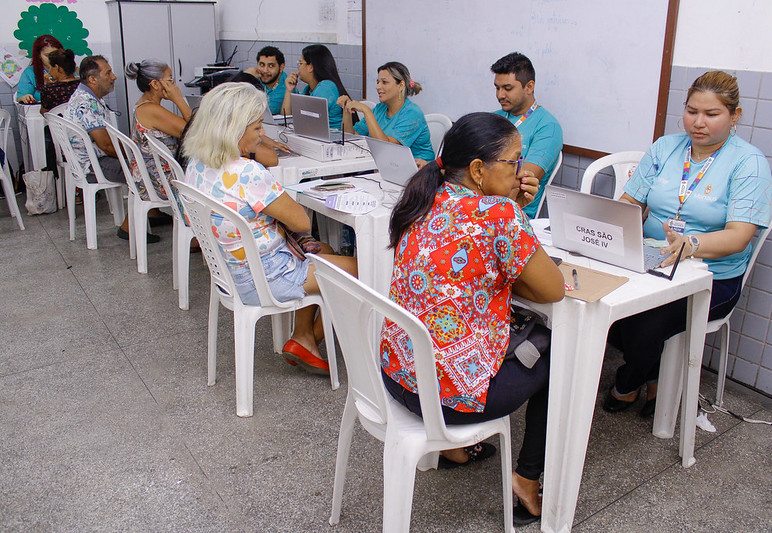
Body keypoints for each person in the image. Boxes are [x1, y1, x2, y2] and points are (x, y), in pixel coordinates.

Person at [380, 112, 565, 525]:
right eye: (514, 161)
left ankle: (453, 449)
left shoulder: (426, 194)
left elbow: (472, 258)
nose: (522, 171)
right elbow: (552, 290)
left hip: (399, 376)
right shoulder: (499, 215)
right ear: (479, 170)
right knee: (559, 356)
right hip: (449, 400)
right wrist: (514, 213)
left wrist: (512, 208)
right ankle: (526, 479)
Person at [603, 71, 772, 417]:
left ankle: (628, 382)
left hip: (711, 277)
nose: (698, 123)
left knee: (643, 325)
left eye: (711, 114)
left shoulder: (748, 163)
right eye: (692, 111)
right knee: (603, 305)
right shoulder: (665, 147)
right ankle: (653, 376)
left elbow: (740, 237)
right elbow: (629, 203)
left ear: (734, 115)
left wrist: (690, 244)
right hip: (650, 260)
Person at [180, 82, 358, 373]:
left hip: (231, 273)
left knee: (322, 249)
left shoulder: (196, 164)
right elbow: (300, 220)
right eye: (257, 126)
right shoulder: (248, 172)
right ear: (234, 130)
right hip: (269, 277)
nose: (262, 133)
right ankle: (323, 342)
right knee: (365, 271)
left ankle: (303, 338)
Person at [65, 55, 158, 243]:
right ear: (92, 79)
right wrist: (135, 156)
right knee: (146, 170)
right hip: (95, 166)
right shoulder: (86, 103)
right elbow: (106, 146)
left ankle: (152, 212)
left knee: (143, 164)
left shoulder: (86, 96)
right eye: (108, 73)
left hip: (90, 160)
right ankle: (128, 227)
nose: (114, 77)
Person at [491, 52, 563, 218]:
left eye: (507, 88)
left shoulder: (548, 127)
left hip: (515, 214)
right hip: (480, 203)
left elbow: (521, 181)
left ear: (529, 87)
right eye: (497, 88)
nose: (500, 95)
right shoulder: (493, 118)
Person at [337, 61, 434, 163]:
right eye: (377, 82)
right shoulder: (380, 109)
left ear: (401, 85)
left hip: (418, 172)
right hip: (387, 165)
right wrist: (346, 109)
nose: (378, 87)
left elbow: (386, 150)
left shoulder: (412, 113)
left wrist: (366, 110)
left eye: (384, 82)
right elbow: (350, 137)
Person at [124, 59, 192, 202]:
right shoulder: (151, 110)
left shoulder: (143, 105)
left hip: (148, 176)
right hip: (158, 181)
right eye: (170, 80)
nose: (174, 86)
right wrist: (178, 98)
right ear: (155, 84)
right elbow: (194, 131)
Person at [282, 44, 349, 129]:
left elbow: (307, 122)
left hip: (333, 139)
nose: (298, 68)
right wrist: (289, 90)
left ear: (310, 67)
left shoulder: (325, 88)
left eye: (300, 63)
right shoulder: (308, 89)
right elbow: (286, 118)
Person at [244, 45, 289, 116]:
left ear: (281, 67)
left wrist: (248, 79)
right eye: (262, 65)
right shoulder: (258, 78)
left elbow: (257, 112)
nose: (265, 70)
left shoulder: (284, 88)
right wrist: (246, 77)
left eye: (271, 66)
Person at [17, 34, 63, 104]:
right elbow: (22, 96)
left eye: (55, 54)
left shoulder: (67, 68)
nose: (52, 58)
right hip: (38, 112)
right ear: (39, 55)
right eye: (47, 55)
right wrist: (26, 97)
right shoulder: (30, 72)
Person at [40, 48, 80, 114]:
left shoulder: (49, 90)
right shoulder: (83, 85)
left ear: (56, 67)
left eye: (50, 68)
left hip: (57, 123)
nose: (49, 71)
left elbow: (44, 113)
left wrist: (48, 85)